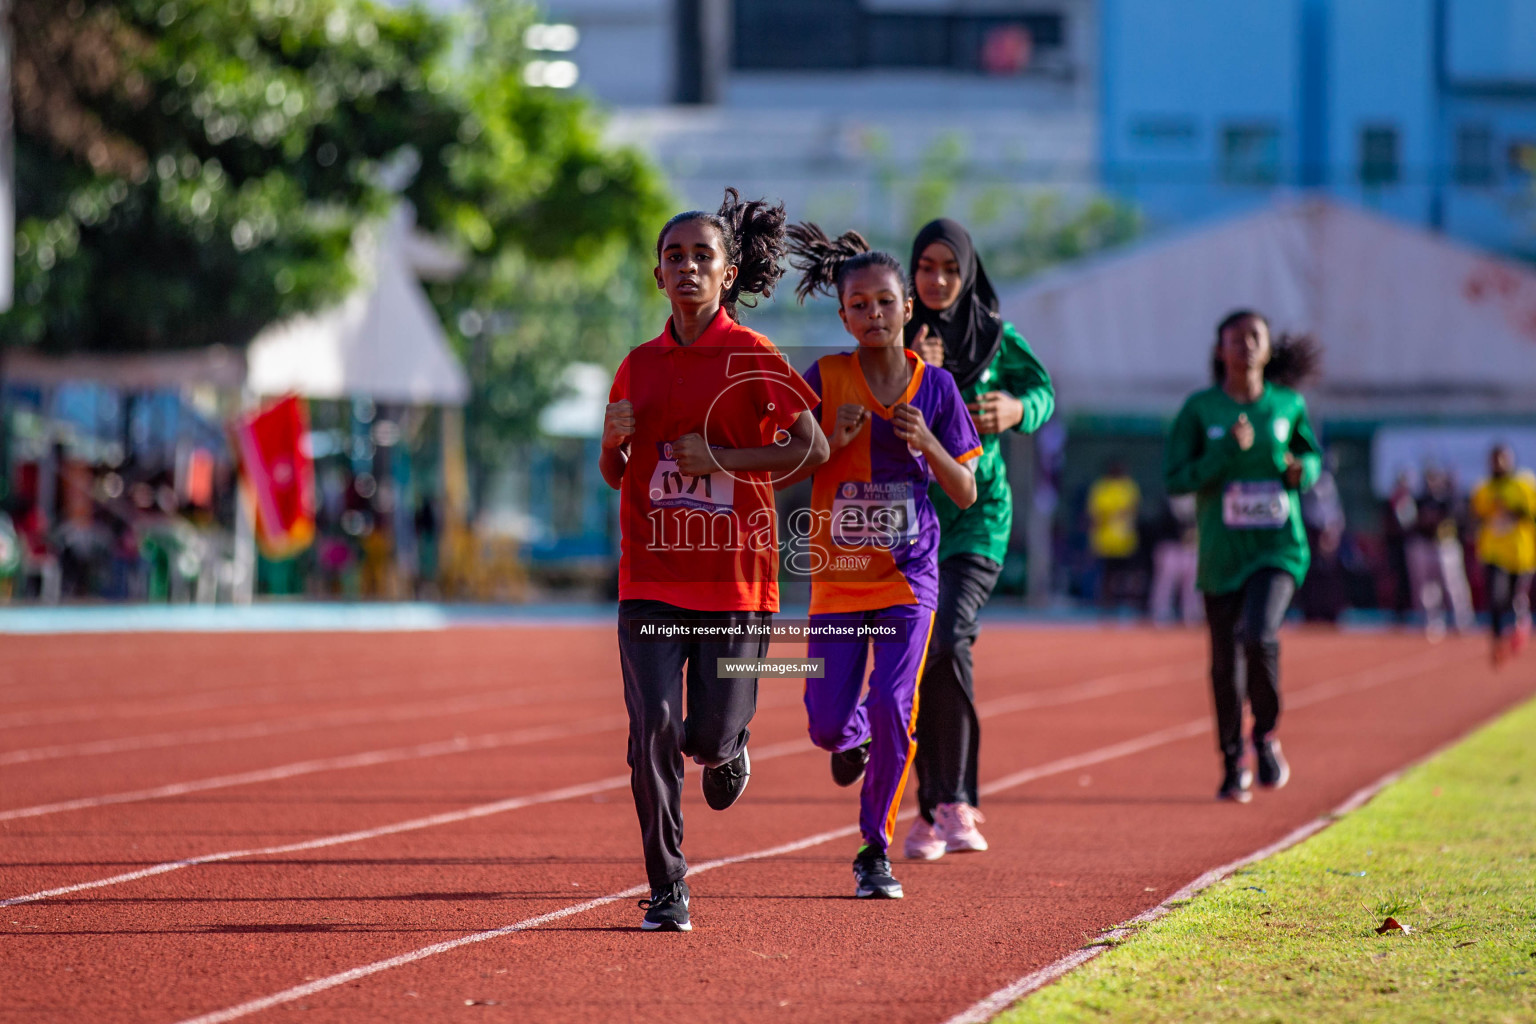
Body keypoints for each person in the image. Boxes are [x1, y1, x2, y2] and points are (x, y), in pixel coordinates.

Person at [601, 189, 829, 932]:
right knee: (654, 732)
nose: (689, 267)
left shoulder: (752, 357)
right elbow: (616, 469)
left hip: (736, 581)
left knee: (702, 736)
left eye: (703, 256)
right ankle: (668, 887)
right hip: (653, 580)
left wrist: (724, 457)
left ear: (728, 273)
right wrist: (612, 442)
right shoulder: (635, 366)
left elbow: (812, 448)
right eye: (675, 257)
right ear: (657, 275)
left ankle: (730, 747)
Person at [779, 223, 981, 898]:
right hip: (838, 584)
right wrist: (825, 445)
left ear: (906, 308)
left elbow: (965, 489)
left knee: (897, 705)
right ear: (843, 315)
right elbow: (777, 475)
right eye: (859, 305)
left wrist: (927, 441)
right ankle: (851, 737)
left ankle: (875, 849)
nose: (873, 314)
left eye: (886, 302)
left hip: (908, 580)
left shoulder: (938, 389)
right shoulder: (825, 379)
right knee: (826, 724)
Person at [900, 218, 1054, 860]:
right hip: (910, 523)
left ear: (968, 273)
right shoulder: (890, 333)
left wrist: (1017, 411)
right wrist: (915, 372)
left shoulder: (997, 338)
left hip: (980, 517)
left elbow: (1043, 393)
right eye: (927, 267)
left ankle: (953, 801)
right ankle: (933, 808)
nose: (937, 280)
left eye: (950, 269)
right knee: (925, 655)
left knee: (949, 637)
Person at [1165, 310, 1321, 803]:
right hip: (1221, 554)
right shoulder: (1200, 410)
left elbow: (1312, 457)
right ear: (1220, 350)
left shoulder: (1288, 405)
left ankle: (1267, 734)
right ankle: (1233, 761)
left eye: (1255, 337)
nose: (1246, 346)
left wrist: (1303, 470)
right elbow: (1175, 479)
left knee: (1260, 634)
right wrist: (1225, 453)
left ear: (1269, 348)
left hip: (1278, 547)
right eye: (1235, 339)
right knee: (1223, 666)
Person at [1470, 444, 1536, 666]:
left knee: (1516, 599)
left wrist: (1514, 510)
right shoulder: (1484, 489)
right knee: (1497, 598)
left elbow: (1531, 513)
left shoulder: (1523, 485)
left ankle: (1521, 626)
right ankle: (1497, 641)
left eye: (1503, 459)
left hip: (1520, 554)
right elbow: (1475, 516)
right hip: (1494, 553)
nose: (1499, 464)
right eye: (1495, 459)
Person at [1407, 465, 1474, 640]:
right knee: (1427, 588)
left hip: (1445, 546)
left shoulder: (1448, 498)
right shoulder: (1420, 499)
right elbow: (1411, 521)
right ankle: (1433, 621)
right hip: (1425, 546)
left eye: (1434, 478)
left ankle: (1462, 620)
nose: (1431, 483)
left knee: (1453, 586)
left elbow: (1457, 517)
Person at [1086, 461, 1142, 612]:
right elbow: (1095, 515)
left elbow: (1133, 510)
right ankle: (1106, 604)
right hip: (1106, 540)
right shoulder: (1101, 487)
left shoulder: (1129, 486)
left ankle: (1127, 604)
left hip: (1125, 540)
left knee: (1128, 575)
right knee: (1106, 575)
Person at [1148, 494, 1202, 627]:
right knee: (1166, 582)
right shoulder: (1168, 503)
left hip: (1190, 548)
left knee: (1192, 584)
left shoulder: (1198, 501)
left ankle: (1192, 613)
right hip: (1170, 547)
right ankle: (1161, 612)